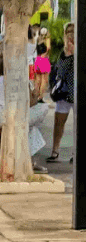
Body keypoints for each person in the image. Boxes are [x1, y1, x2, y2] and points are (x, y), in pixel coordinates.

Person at [49, 27, 74, 162]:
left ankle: (76, 153)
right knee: (59, 123)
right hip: (64, 93)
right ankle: (55, 150)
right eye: (68, 32)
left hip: (77, 92)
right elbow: (60, 72)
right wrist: (68, 54)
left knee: (79, 125)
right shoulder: (63, 53)